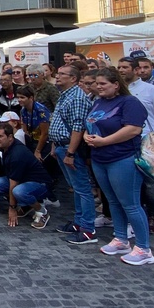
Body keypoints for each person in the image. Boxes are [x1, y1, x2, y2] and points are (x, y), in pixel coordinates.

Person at [84, 68, 154, 265]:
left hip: (122, 158)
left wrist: (104, 141)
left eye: (103, 83)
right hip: (100, 157)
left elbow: (133, 129)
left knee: (130, 203)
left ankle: (143, 248)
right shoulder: (98, 102)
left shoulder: (129, 102)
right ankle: (121, 238)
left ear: (116, 84)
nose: (98, 86)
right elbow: (89, 124)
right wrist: (86, 137)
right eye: (97, 83)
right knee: (113, 201)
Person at [118, 57, 154, 233]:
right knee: (129, 181)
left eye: (125, 67)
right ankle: (133, 216)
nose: (121, 70)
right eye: (119, 67)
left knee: (151, 183)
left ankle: (152, 216)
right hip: (124, 142)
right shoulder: (118, 91)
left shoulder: (151, 90)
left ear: (136, 70)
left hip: (149, 141)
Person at [50, 64, 96, 245]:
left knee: (82, 188)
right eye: (58, 73)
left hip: (70, 148)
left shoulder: (76, 97)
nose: (58, 76)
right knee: (76, 188)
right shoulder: (65, 95)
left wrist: (70, 152)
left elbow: (78, 127)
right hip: (62, 146)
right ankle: (78, 222)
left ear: (73, 79)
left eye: (62, 74)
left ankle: (87, 228)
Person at [0, 123, 52, 229]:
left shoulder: (17, 154)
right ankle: (25, 204)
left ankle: (42, 211)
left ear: (10, 137)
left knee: (18, 191)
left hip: (40, 183)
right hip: (22, 180)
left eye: (0, 136)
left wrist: (12, 208)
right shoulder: (6, 145)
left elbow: (13, 184)